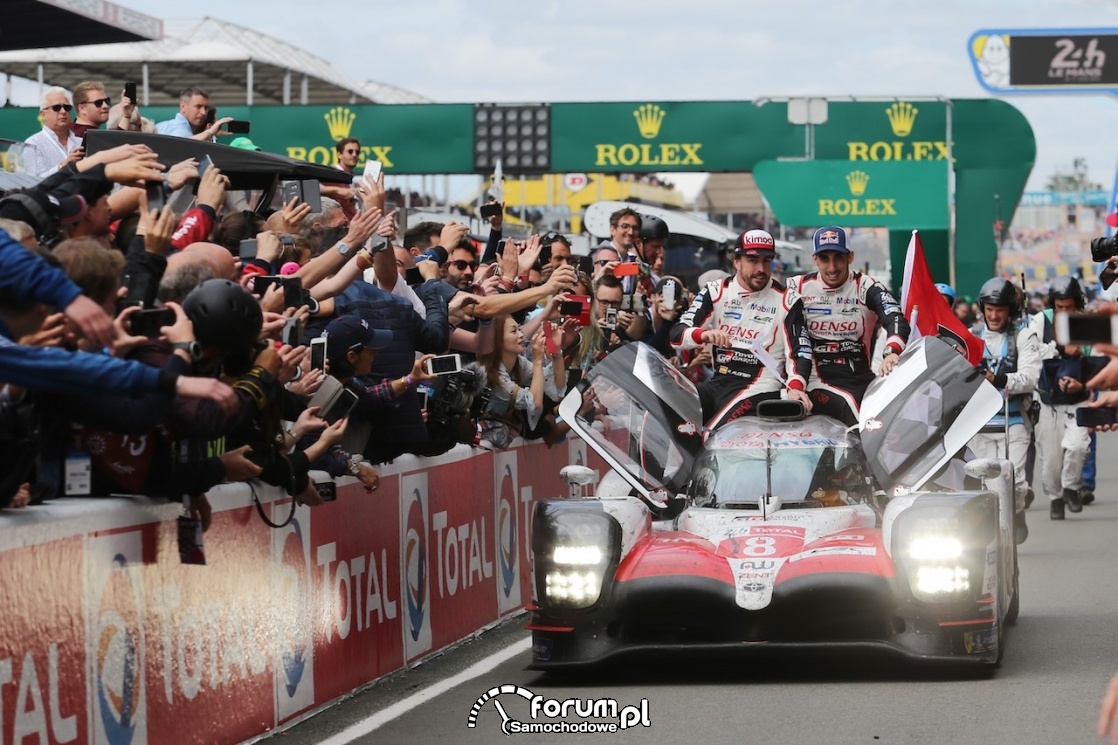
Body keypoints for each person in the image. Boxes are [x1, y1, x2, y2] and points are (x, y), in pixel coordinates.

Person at [670, 229, 813, 428]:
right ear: (736, 261)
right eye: (753, 260)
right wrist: (704, 334)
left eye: (766, 260)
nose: (761, 268)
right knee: (673, 411)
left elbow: (800, 353)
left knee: (714, 432)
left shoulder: (787, 299)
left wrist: (796, 387)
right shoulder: (715, 291)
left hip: (760, 388)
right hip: (719, 381)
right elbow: (677, 335)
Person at [785, 225, 910, 426]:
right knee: (854, 413)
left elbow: (895, 317)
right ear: (815, 259)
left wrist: (892, 351)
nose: (832, 267)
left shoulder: (866, 286)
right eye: (825, 258)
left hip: (859, 377)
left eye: (839, 258)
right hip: (815, 378)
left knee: (893, 417)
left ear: (850, 257)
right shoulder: (796, 286)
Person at [967, 276, 1040, 542]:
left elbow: (1031, 376)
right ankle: (995, 535)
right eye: (990, 309)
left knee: (1016, 484)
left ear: (1010, 310)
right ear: (982, 309)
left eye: (1000, 309)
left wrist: (998, 380)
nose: (994, 315)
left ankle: (1018, 511)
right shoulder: (970, 337)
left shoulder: (1024, 334)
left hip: (1015, 418)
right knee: (987, 484)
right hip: (980, 423)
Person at [1029, 276, 1091, 520]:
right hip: (1047, 398)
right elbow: (1032, 352)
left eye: (1069, 307)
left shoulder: (1087, 322)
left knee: (1078, 446)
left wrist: (1084, 383)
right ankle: (1055, 498)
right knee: (1051, 458)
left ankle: (1071, 487)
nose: (1064, 312)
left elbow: (1097, 357)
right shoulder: (1039, 320)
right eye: (1059, 307)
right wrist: (1061, 349)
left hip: (1079, 397)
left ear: (1078, 304)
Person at [22, 87, 82, 178]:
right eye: (56, 108)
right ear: (43, 115)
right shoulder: (32, 144)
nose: (63, 111)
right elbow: (34, 182)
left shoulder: (81, 142)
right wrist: (63, 166)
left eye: (67, 107)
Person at [156, 87, 231, 140]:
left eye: (206, 107)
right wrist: (209, 132)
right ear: (183, 106)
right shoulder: (182, 131)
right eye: (198, 106)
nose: (203, 112)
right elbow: (179, 145)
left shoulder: (161, 126)